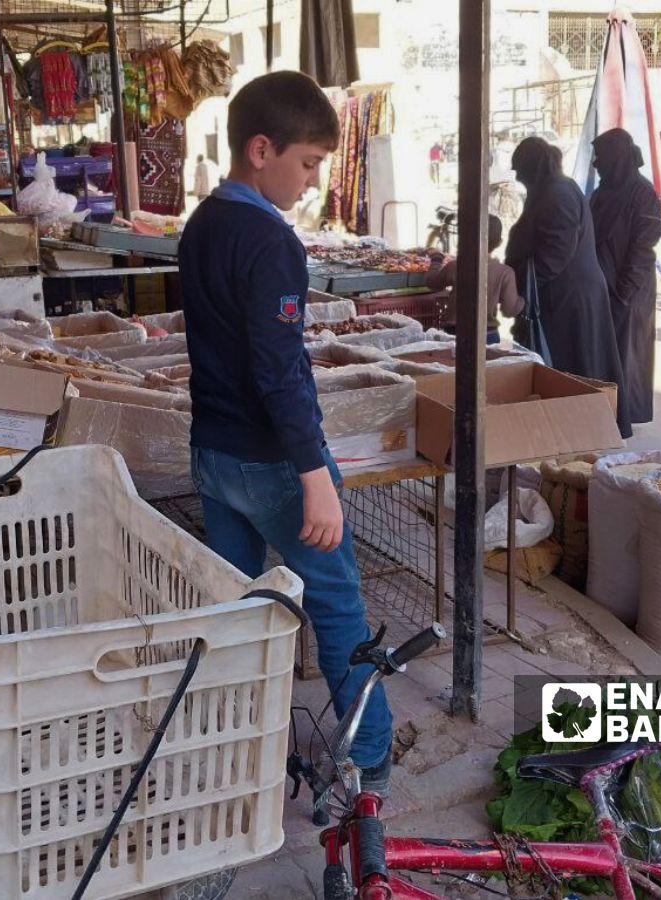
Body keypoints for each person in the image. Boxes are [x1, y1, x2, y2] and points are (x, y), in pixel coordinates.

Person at [178, 71, 394, 792]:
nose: (312, 181)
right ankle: (370, 775)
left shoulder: (203, 224)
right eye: (307, 163)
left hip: (212, 452)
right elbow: (277, 368)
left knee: (239, 609)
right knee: (336, 607)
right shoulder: (270, 241)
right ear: (260, 149)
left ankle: (236, 759)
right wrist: (313, 476)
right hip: (272, 460)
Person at [504, 136, 632, 437]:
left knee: (576, 366)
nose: (518, 178)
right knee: (573, 364)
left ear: (532, 167)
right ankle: (574, 425)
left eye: (520, 170)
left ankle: (581, 427)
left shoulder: (557, 193)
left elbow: (556, 252)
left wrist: (526, 287)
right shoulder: (554, 189)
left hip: (568, 297)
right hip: (565, 293)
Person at [590, 128, 661, 426]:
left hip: (630, 290)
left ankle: (625, 416)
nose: (596, 163)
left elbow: (643, 247)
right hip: (602, 287)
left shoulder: (641, 192)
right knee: (605, 354)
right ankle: (606, 413)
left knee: (628, 356)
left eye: (602, 157)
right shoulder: (602, 192)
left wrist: (624, 289)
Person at [425, 215, 521, 343]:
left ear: (466, 238)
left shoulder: (456, 266)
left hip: (454, 333)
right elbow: (509, 310)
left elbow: (432, 282)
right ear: (499, 242)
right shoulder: (505, 273)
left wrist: (436, 259)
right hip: (488, 336)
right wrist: (523, 301)